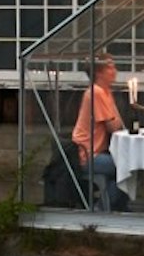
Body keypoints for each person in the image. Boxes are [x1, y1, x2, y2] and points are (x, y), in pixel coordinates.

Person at [45, 59, 128, 210]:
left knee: (126, 169)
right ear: (99, 73)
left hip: (94, 152)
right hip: (86, 155)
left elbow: (117, 125)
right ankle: (101, 208)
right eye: (110, 68)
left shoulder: (103, 92)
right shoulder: (96, 93)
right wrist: (114, 110)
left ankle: (115, 205)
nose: (115, 71)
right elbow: (114, 127)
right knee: (128, 168)